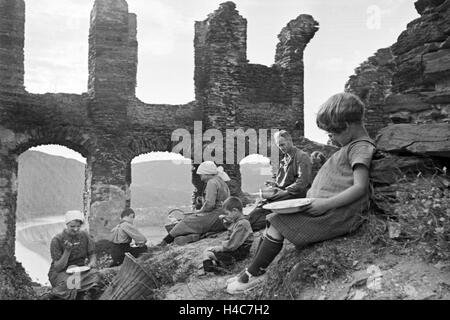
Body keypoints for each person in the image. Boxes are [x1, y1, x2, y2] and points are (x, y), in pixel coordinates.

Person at [227, 92, 377, 294]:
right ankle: (253, 269)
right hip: (326, 209)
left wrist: (324, 204)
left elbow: (359, 187)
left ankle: (254, 274)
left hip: (335, 214)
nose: (330, 138)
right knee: (273, 220)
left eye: (332, 133)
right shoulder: (352, 146)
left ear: (347, 126)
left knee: (278, 223)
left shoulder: (360, 147)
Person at [247, 130, 312, 231]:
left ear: (290, 141)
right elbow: (281, 179)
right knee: (261, 204)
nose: (281, 148)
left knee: (264, 209)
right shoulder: (284, 159)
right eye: (279, 145)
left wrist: (285, 191)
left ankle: (247, 225)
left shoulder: (301, 156)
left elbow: (303, 182)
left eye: (283, 144)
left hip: (295, 194)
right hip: (283, 192)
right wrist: (273, 183)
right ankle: (246, 223)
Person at [159, 161, 231, 246]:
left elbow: (210, 205)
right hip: (224, 215)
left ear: (206, 173)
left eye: (201, 175)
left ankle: (165, 241)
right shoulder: (221, 181)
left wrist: (199, 211)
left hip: (216, 216)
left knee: (187, 221)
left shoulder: (212, 182)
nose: (201, 178)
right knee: (195, 221)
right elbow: (219, 200)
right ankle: (192, 237)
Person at [48, 210, 103, 300]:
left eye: (78, 226)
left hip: (80, 270)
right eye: (72, 226)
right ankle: (55, 294)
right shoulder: (57, 240)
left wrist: (92, 263)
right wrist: (67, 251)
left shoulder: (84, 235)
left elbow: (92, 254)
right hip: (61, 272)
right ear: (66, 225)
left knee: (97, 275)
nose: (76, 229)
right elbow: (58, 267)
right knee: (69, 282)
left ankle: (67, 291)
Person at [202, 197, 254, 274]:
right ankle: (214, 266)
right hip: (236, 251)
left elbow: (232, 244)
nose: (227, 216)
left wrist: (221, 248)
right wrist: (227, 222)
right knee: (207, 251)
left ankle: (214, 270)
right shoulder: (237, 222)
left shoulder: (242, 224)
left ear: (234, 211)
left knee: (208, 253)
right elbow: (230, 236)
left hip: (239, 253)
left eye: (227, 213)